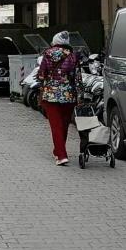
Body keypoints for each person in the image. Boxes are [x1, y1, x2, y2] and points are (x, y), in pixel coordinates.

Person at [37, 31, 81, 166]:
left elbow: (41, 74)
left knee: (55, 126)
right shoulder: (73, 56)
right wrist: (79, 95)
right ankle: (58, 151)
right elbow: (77, 78)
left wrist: (45, 80)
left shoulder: (47, 54)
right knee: (64, 125)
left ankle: (61, 155)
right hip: (69, 96)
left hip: (50, 96)